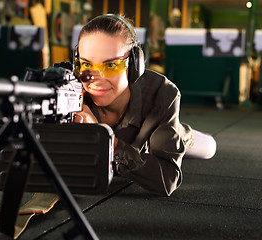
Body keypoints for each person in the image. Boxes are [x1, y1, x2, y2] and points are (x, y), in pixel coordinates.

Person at [72, 14, 216, 196]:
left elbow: (167, 181)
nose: (96, 79)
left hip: (164, 132)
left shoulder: (161, 94)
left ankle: (184, 134)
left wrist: (105, 140)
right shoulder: (71, 91)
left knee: (209, 147)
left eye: (111, 66)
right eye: (86, 64)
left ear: (134, 65)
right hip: (138, 147)